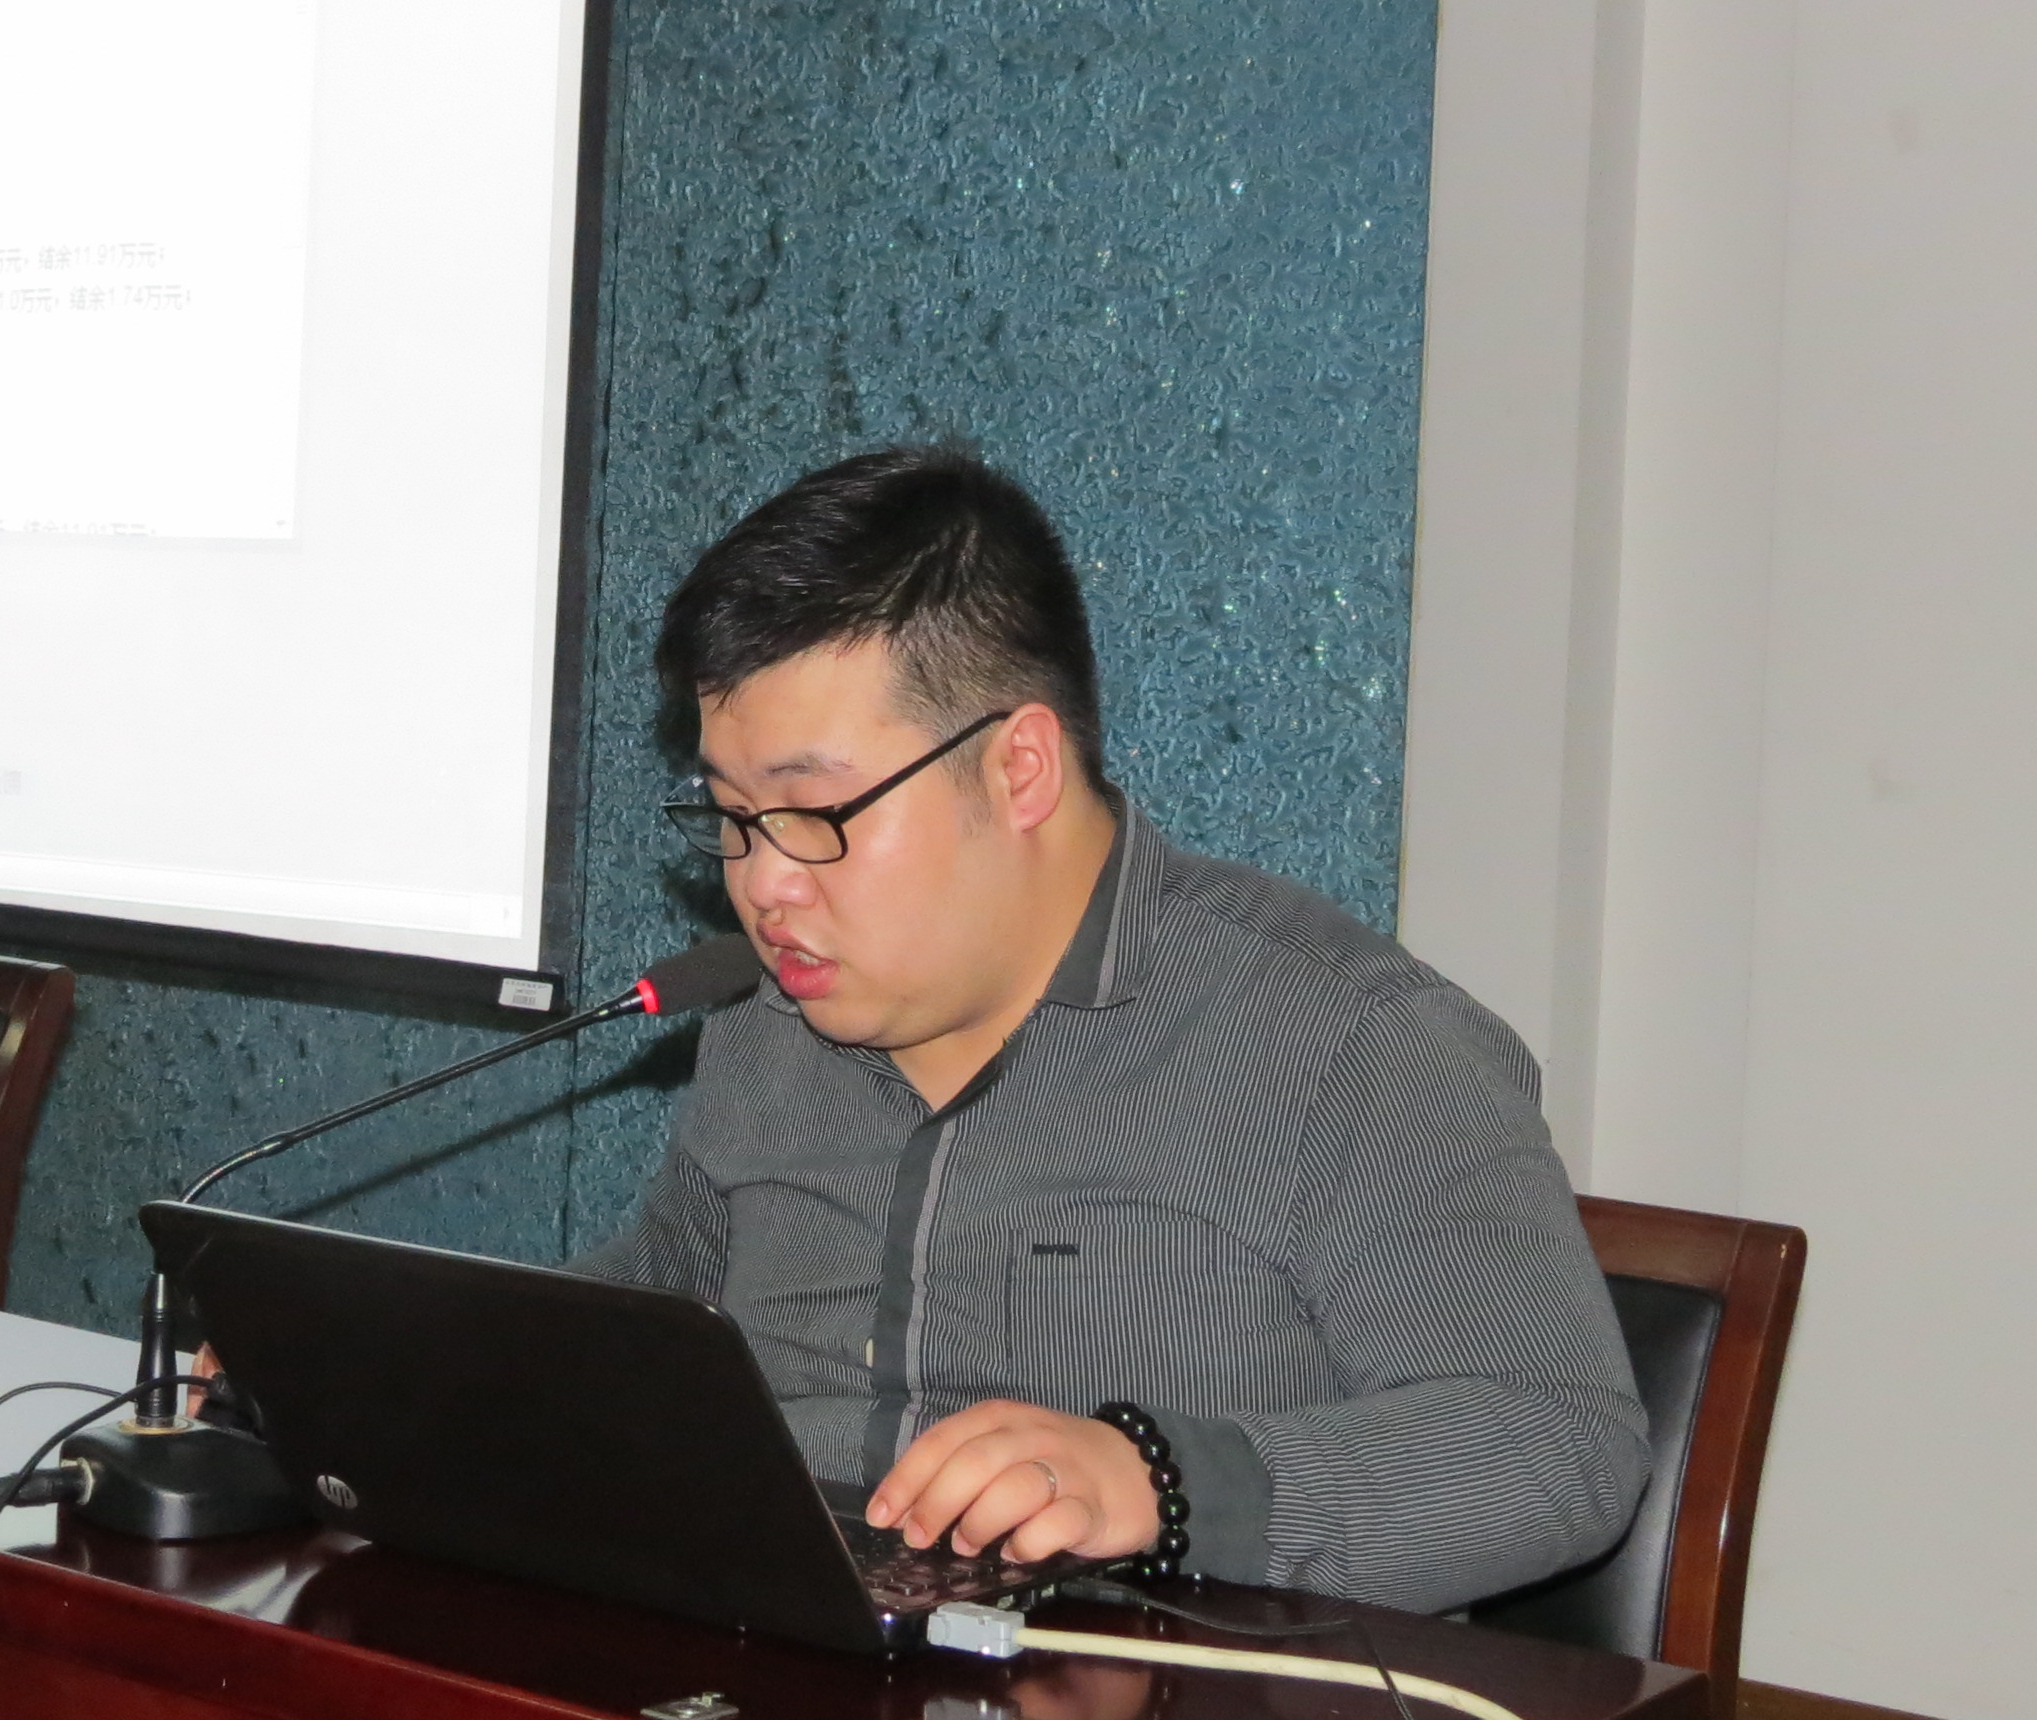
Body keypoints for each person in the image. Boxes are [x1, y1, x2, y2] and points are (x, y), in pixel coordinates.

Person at [575, 447, 1645, 1611]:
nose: (764, 884)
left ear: (1019, 768)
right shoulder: (764, 1030)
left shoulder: (1347, 1044)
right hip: (782, 1649)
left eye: (812, 813)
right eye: (731, 815)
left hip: (1159, 1685)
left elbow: (1560, 1448)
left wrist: (1157, 1482)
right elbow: (640, 1338)